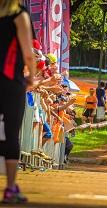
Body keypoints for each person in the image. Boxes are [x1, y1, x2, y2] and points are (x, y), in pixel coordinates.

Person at [0, 0, 35, 204]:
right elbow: (28, 54)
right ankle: (10, 188)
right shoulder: (19, 15)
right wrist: (31, 77)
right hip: (10, 80)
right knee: (12, 132)